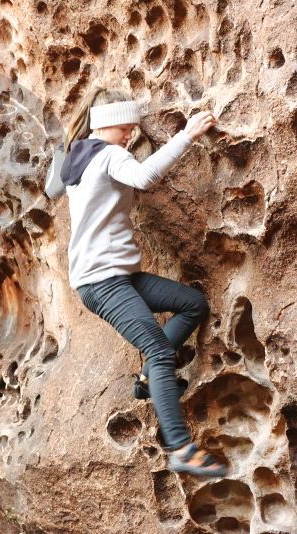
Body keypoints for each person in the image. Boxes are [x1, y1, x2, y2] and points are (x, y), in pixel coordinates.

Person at [62, 87, 227, 477]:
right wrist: (188, 134)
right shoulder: (106, 155)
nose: (130, 136)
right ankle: (181, 448)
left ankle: (147, 379)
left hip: (117, 276)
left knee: (192, 303)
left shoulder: (78, 156)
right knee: (158, 350)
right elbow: (145, 176)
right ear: (107, 124)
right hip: (102, 282)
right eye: (126, 128)